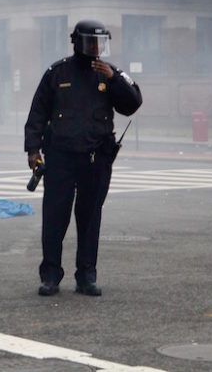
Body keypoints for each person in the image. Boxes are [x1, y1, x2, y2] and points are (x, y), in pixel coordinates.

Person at [24, 19, 142, 297]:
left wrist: (113, 78)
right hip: (61, 158)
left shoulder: (109, 74)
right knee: (55, 218)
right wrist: (33, 150)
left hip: (96, 159)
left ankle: (86, 275)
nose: (96, 49)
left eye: (100, 43)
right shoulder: (57, 72)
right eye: (90, 42)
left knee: (89, 219)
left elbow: (133, 103)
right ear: (77, 42)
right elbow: (37, 113)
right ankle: (50, 275)